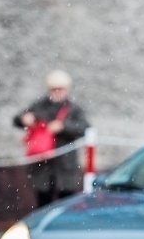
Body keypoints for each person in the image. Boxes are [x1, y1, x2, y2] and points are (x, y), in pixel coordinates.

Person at [13, 70, 90, 207]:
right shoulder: (39, 106)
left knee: (65, 203)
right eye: (54, 89)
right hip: (43, 165)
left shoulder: (73, 109)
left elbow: (84, 128)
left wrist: (63, 127)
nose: (57, 92)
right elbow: (18, 119)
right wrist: (25, 119)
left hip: (65, 165)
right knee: (43, 202)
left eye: (60, 89)